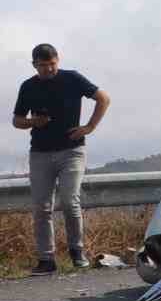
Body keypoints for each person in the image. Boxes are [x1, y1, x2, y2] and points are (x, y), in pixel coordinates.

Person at [12, 43, 111, 275]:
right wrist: (32, 122)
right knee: (41, 207)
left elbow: (104, 98)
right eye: (42, 66)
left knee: (69, 201)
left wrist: (89, 127)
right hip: (40, 152)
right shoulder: (27, 86)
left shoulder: (72, 78)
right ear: (34, 65)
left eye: (52, 64)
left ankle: (77, 252)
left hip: (72, 150)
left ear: (58, 60)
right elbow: (17, 121)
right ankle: (47, 260)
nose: (48, 69)